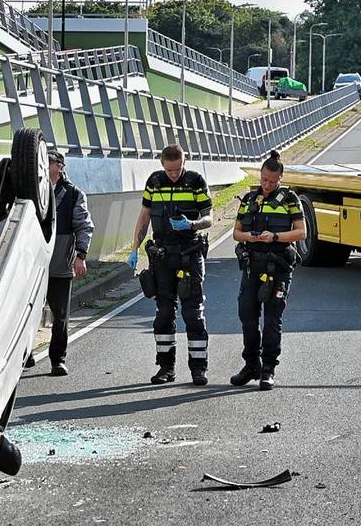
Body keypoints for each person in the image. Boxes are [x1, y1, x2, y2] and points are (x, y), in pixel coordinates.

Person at [127, 144, 213, 386]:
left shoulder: (196, 181)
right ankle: (166, 368)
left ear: (184, 162)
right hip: (162, 257)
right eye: (169, 170)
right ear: (162, 164)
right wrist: (134, 248)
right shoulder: (154, 181)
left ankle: (199, 369)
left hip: (189, 254)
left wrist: (192, 224)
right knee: (163, 313)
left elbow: (209, 217)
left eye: (178, 169)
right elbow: (144, 216)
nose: (174, 174)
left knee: (193, 314)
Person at [230, 150, 304, 391]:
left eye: (272, 181)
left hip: (278, 267)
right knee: (247, 317)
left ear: (280, 178)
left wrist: (275, 236)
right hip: (253, 266)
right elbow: (236, 233)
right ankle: (251, 364)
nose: (267, 185)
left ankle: (268, 369)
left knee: (272, 320)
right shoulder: (251, 199)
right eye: (264, 180)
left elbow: (301, 232)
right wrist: (252, 237)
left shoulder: (290, 199)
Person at [44, 150, 94, 376]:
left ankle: (58, 359)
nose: (45, 165)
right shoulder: (30, 192)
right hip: (32, 265)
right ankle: (24, 355)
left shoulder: (74, 194)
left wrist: (80, 255)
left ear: (60, 167)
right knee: (27, 313)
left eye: (50, 162)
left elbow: (84, 226)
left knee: (60, 314)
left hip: (60, 264)